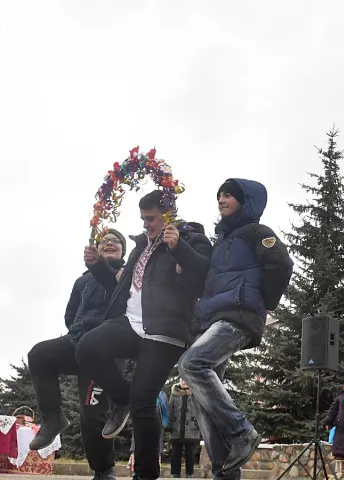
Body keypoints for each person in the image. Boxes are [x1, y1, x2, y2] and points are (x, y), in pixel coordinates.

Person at [75, 190, 212, 480]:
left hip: (164, 331)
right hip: (130, 323)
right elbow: (120, 286)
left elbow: (203, 277)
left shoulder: (190, 238)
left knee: (143, 401)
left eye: (151, 219)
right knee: (87, 347)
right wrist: (97, 266)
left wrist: (180, 250)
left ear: (167, 215)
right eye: (143, 219)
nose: (146, 225)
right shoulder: (140, 248)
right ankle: (121, 397)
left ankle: (146, 474)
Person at [178, 178, 293, 478]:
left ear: (246, 201)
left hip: (239, 316)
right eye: (219, 195)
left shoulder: (257, 232)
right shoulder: (221, 243)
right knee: (204, 401)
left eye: (229, 194)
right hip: (215, 319)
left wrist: (263, 301)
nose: (221, 199)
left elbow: (281, 264)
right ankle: (225, 473)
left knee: (192, 363)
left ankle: (242, 431)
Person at [26, 230, 128, 479]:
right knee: (40, 354)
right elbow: (71, 313)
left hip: (105, 350)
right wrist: (75, 331)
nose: (110, 244)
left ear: (123, 250)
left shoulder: (125, 275)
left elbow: (126, 301)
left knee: (91, 414)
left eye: (116, 242)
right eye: (104, 241)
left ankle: (104, 470)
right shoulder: (82, 280)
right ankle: (53, 418)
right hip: (77, 341)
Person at [167, 379, 201, 478]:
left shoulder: (195, 392)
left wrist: (200, 425)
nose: (184, 381)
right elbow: (170, 408)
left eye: (186, 379)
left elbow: (200, 410)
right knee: (175, 453)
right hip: (176, 427)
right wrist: (168, 425)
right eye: (182, 379)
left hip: (192, 428)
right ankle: (175, 474)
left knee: (190, 453)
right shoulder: (175, 391)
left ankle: (189, 474)